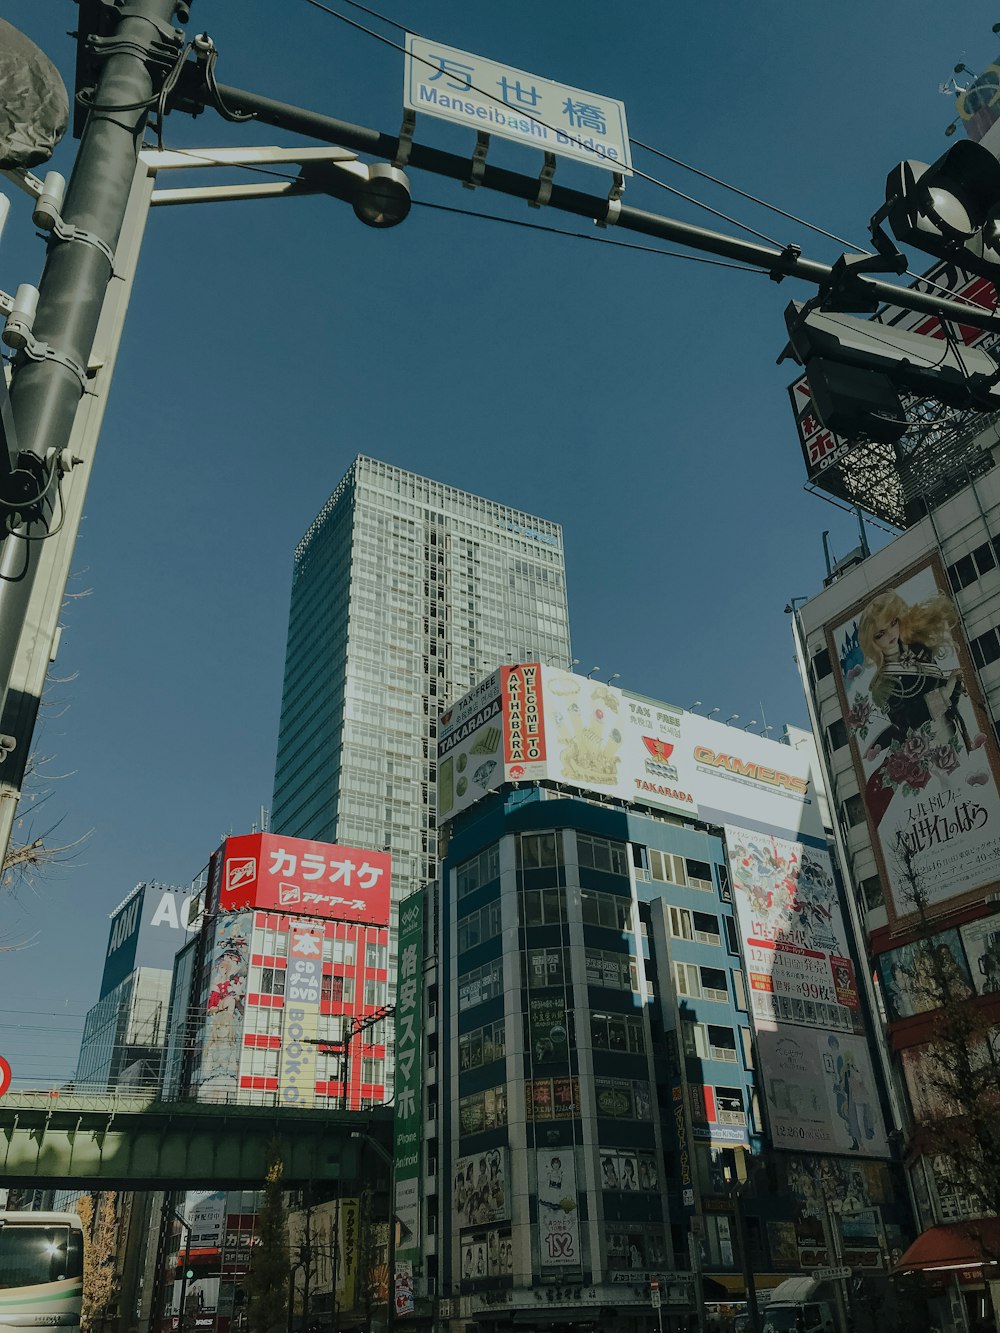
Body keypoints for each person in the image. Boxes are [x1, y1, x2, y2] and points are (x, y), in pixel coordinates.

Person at [856, 588, 987, 823]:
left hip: (949, 727)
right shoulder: (883, 683)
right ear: (872, 642)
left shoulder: (919, 651)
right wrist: (946, 691)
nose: (889, 636)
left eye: (893, 623)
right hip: (921, 740)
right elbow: (904, 721)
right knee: (941, 785)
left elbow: (944, 693)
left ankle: (970, 756)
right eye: (880, 634)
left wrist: (953, 688)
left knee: (962, 780)